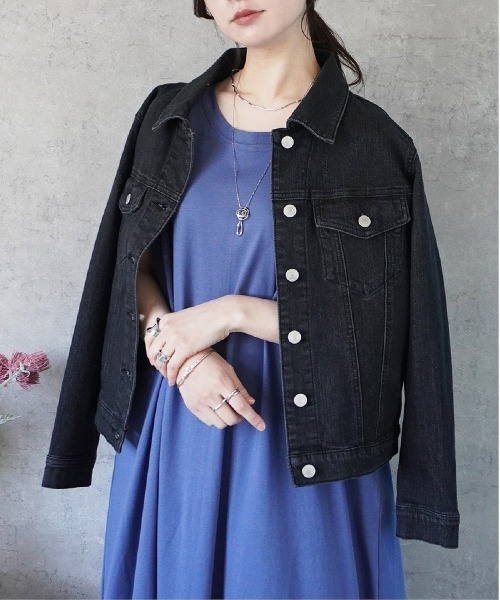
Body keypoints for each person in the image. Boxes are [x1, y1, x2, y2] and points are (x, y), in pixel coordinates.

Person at [42, 1, 460, 598]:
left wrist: (231, 313)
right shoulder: (167, 118)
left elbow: (389, 335)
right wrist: (181, 356)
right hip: (179, 427)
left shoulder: (375, 146)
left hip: (312, 453)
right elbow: (127, 267)